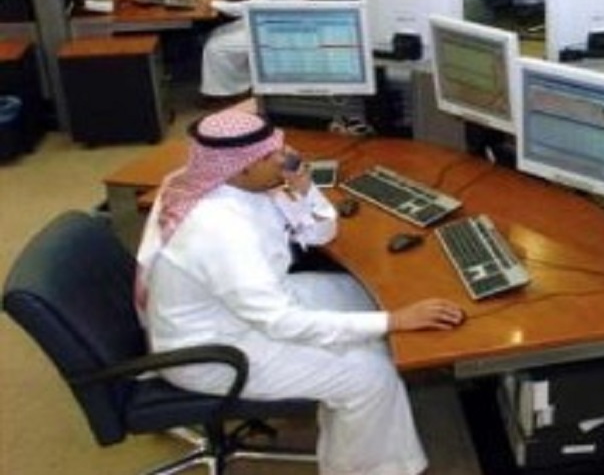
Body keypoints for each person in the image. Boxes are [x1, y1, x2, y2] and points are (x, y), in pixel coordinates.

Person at [136, 109, 467, 475]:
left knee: (360, 296)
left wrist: (305, 189)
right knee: (370, 376)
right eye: (272, 155)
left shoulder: (222, 184)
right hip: (216, 352)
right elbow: (283, 323)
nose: (286, 158)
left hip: (238, 309)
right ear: (241, 167)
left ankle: (354, 417)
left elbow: (318, 233)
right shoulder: (222, 231)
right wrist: (395, 321)